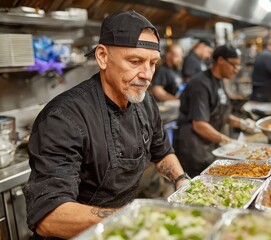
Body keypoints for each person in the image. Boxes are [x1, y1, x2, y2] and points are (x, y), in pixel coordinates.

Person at [24, 11, 190, 240]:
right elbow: (49, 216)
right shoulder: (63, 117)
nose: (147, 75)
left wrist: (183, 183)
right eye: (135, 61)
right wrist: (135, 219)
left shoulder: (146, 102)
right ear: (102, 57)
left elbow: (162, 152)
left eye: (153, 63)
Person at [175, 45, 255, 177]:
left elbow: (218, 112)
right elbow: (199, 124)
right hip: (195, 148)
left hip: (208, 144)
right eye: (233, 65)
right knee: (198, 188)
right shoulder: (200, 85)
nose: (236, 70)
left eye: (238, 66)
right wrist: (227, 141)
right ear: (220, 60)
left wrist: (242, 123)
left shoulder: (218, 81)